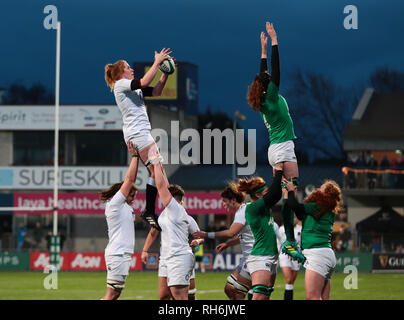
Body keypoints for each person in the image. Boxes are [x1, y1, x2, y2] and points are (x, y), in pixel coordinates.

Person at [246, 22, 302, 261]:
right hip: (283, 148)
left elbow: (265, 72)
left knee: (285, 193)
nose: (271, 77)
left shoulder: (263, 101)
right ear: (267, 85)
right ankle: (289, 240)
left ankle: (285, 236)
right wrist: (275, 40)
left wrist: (262, 49)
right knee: (291, 192)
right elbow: (276, 71)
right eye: (269, 79)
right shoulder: (272, 94)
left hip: (275, 149)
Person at [104, 48, 173, 231]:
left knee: (156, 171)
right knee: (158, 169)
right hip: (138, 134)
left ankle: (150, 209)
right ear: (120, 74)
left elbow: (156, 91)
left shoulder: (132, 89)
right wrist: (157, 63)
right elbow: (143, 80)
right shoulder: (121, 85)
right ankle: (153, 209)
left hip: (141, 133)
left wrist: (165, 74)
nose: (131, 69)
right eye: (128, 67)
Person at [144, 159, 196, 300]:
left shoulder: (177, 210)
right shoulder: (166, 214)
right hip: (166, 258)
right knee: (164, 296)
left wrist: (155, 163)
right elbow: (165, 185)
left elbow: (162, 187)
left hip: (179, 256)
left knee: (180, 297)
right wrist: (160, 167)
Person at [193, 183, 254, 300]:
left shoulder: (242, 212)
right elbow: (243, 236)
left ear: (233, 200)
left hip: (254, 257)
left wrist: (206, 234)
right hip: (247, 258)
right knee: (229, 288)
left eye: (225, 201)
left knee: (239, 292)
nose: (223, 204)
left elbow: (231, 233)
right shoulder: (243, 211)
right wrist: (228, 244)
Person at [284, 179, 342, 300]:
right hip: (327, 255)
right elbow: (300, 213)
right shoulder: (326, 210)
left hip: (317, 255)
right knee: (324, 297)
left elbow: (294, 206)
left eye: (321, 188)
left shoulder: (318, 206)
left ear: (326, 194)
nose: (317, 190)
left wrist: (289, 191)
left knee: (312, 297)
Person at [234, 163, 284, 300]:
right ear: (257, 194)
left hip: (272, 256)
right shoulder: (253, 208)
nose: (268, 192)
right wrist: (278, 172)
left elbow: (275, 194)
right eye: (265, 191)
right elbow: (275, 194)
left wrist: (278, 178)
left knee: (265, 296)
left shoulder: (264, 207)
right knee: (259, 296)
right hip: (260, 256)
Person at [100, 141, 139, 300]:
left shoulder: (126, 208)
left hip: (123, 253)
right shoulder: (115, 203)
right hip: (117, 253)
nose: (133, 199)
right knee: (112, 294)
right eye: (131, 195)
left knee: (115, 293)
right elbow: (129, 180)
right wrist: (135, 157)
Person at [141, 212, 203, 300]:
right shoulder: (161, 218)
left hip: (181, 257)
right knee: (164, 296)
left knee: (188, 294)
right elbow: (153, 232)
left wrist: (198, 241)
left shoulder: (186, 217)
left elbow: (200, 236)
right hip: (165, 259)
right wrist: (144, 250)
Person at [276, 215, 302, 300]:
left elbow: (302, 243)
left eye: (296, 217)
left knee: (291, 283)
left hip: (296, 256)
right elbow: (279, 243)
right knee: (289, 279)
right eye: (293, 217)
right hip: (285, 255)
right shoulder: (282, 229)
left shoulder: (301, 229)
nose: (295, 219)